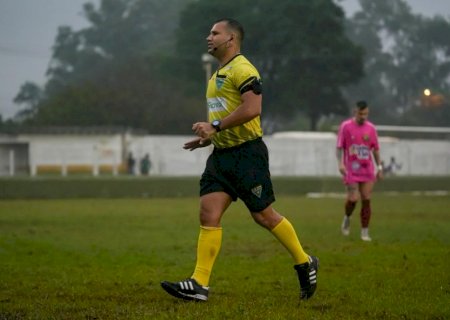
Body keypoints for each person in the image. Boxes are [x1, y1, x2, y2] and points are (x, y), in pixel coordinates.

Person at [160, 18, 318, 302]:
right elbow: (227, 112)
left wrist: (215, 127)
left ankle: (304, 261)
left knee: (264, 216)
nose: (208, 37)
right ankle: (199, 284)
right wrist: (209, 137)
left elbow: (253, 108)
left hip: (247, 154)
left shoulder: (243, 68)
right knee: (208, 213)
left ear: (230, 39)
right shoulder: (217, 74)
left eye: (214, 33)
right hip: (221, 156)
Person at [336, 100, 383, 241]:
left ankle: (365, 232)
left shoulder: (371, 129)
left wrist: (379, 167)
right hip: (351, 170)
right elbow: (339, 147)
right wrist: (340, 164)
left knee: (366, 199)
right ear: (355, 112)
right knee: (353, 199)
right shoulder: (345, 127)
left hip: (367, 170)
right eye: (361, 113)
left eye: (366, 114)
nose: (364, 116)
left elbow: (375, 149)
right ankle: (347, 217)